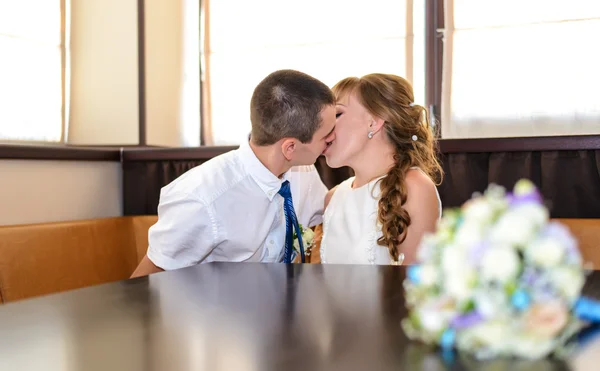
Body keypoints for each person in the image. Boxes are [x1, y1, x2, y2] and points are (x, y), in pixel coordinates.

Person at [131, 69, 336, 278]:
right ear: (290, 148)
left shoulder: (303, 172)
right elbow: (145, 284)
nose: (332, 138)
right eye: (326, 135)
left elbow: (330, 209)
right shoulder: (201, 199)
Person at [319, 73, 443, 266]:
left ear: (374, 122)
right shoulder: (332, 198)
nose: (324, 127)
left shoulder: (414, 188)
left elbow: (415, 287)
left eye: (336, 115)